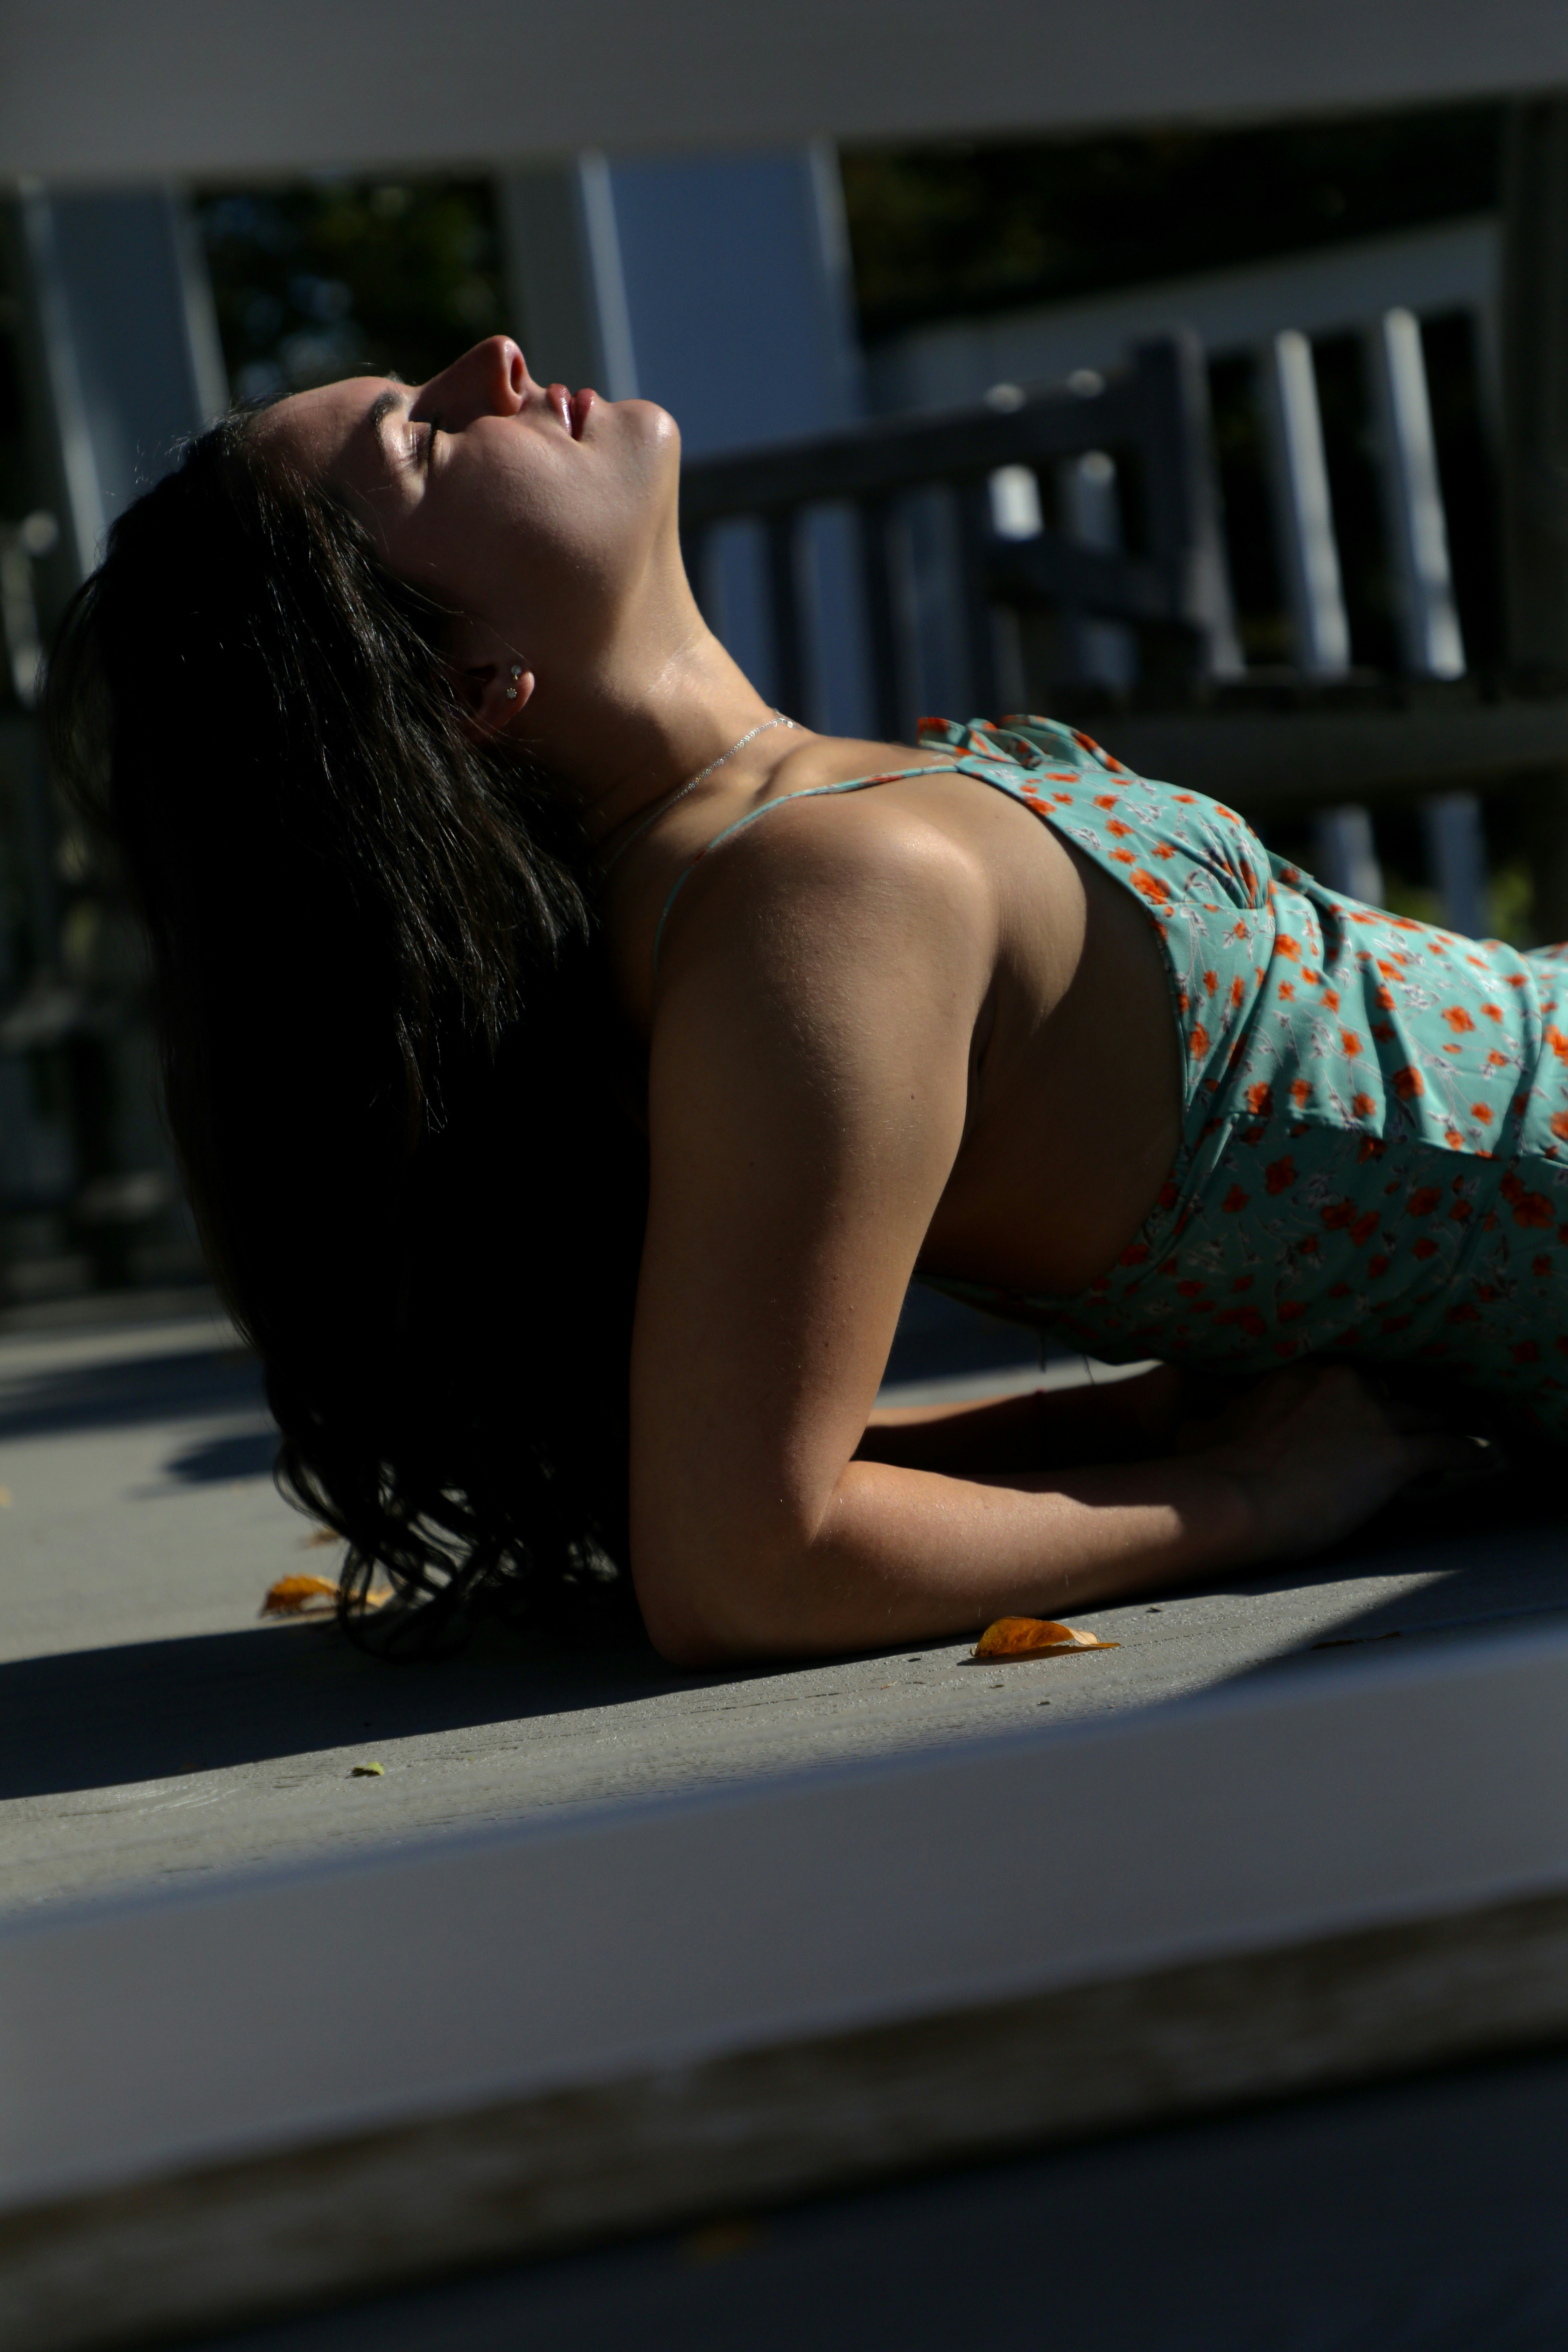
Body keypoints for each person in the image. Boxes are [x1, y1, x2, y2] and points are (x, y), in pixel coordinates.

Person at [48, 336, 1545, 1667]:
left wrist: (1122, 1428)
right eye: (424, 440)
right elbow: (745, 1561)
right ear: (464, 686)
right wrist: (1249, 1501)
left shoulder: (772, 855)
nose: (493, 360)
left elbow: (715, 1485)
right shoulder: (808, 903)